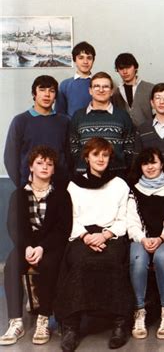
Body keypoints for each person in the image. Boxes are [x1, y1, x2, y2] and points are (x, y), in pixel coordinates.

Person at [54, 137, 134, 351]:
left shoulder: (119, 184)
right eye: (96, 154)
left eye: (105, 155)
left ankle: (120, 324)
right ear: (86, 157)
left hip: (111, 236)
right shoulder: (74, 185)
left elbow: (124, 218)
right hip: (82, 236)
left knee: (113, 261)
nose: (101, 159)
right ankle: (71, 326)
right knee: (79, 262)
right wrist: (86, 237)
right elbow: (70, 218)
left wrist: (105, 235)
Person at [0, 146, 72, 346]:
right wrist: (26, 248)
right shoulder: (19, 195)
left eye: (49, 164)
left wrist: (42, 248)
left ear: (54, 170)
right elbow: (14, 226)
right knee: (12, 266)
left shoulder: (62, 195)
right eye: (39, 163)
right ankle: (15, 321)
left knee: (49, 265)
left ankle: (43, 318)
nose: (44, 167)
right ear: (31, 167)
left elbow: (62, 229)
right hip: (26, 245)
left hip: (50, 246)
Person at [127, 147, 164, 340]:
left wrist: (162, 238)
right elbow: (131, 220)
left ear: (162, 164)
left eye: (154, 162)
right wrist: (142, 238)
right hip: (142, 237)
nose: (150, 167)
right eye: (145, 163)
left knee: (162, 257)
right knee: (137, 259)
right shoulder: (134, 189)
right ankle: (139, 311)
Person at [4, 75, 71, 188]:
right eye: (42, 89)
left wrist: (66, 180)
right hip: (29, 186)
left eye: (52, 91)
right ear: (34, 94)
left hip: (60, 185)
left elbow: (70, 154)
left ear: (55, 96)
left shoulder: (64, 121)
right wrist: (22, 184)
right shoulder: (20, 121)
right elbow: (10, 157)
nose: (47, 94)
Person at [69, 72, 134, 177]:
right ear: (90, 91)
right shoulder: (78, 116)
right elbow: (73, 148)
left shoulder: (123, 116)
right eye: (96, 86)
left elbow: (129, 148)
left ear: (112, 91)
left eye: (105, 87)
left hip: (116, 177)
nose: (101, 90)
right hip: (84, 178)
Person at [112, 53, 154, 127]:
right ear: (117, 70)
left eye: (128, 67)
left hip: (147, 134)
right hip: (125, 135)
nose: (125, 72)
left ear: (135, 67)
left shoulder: (151, 88)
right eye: (121, 68)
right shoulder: (115, 93)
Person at [56, 41, 95, 118]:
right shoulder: (65, 85)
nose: (85, 62)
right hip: (72, 127)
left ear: (93, 60)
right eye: (81, 58)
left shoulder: (100, 84)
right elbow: (60, 113)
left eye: (89, 58)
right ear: (74, 60)